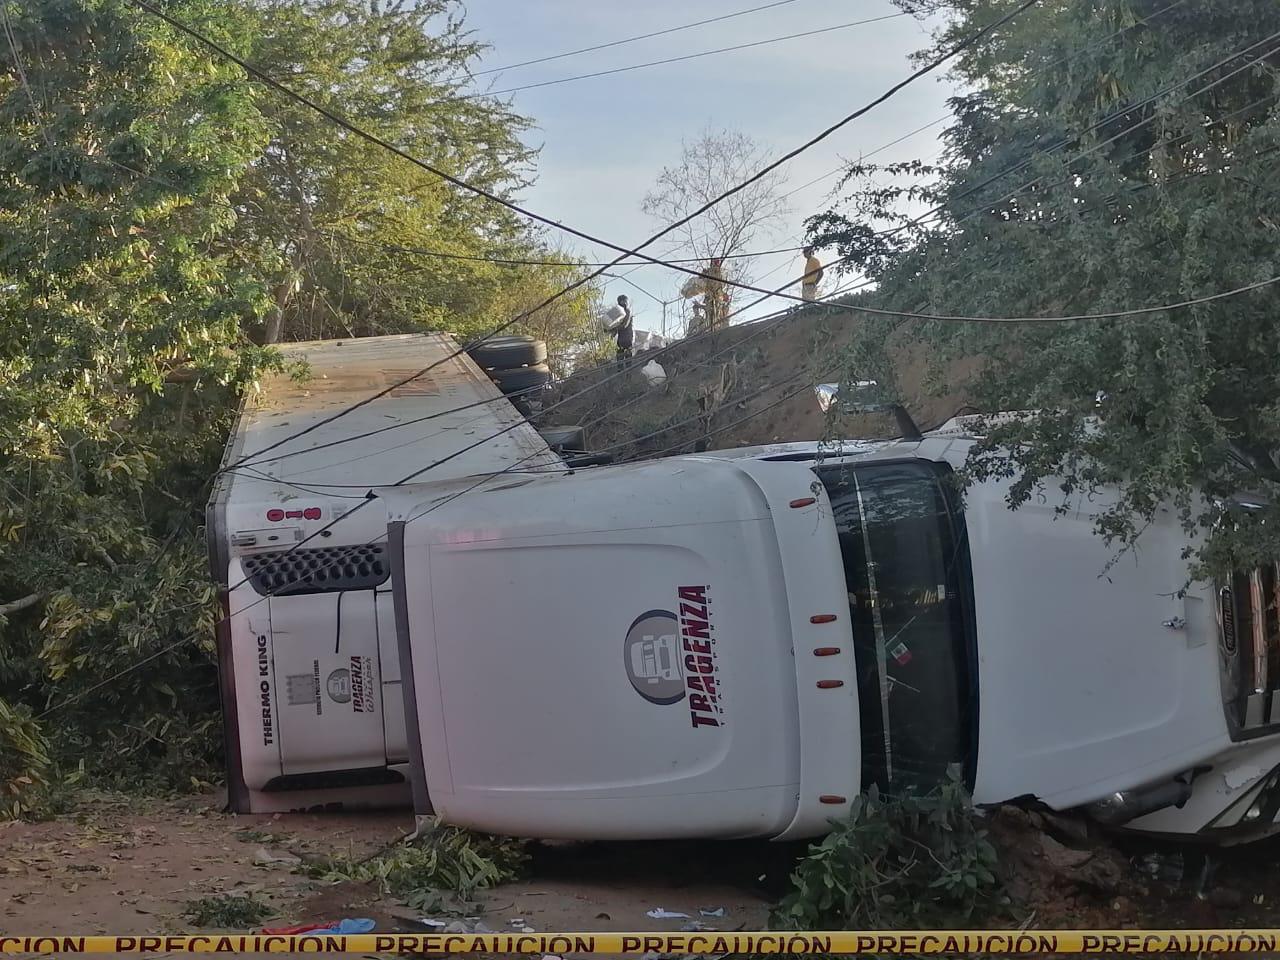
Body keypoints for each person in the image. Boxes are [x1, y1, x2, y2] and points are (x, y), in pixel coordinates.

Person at [606, 294, 634, 365]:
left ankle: (629, 371)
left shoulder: (627, 312)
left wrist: (613, 328)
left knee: (628, 359)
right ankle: (620, 370)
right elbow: (615, 323)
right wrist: (610, 331)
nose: (623, 303)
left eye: (624, 301)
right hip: (620, 338)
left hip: (628, 338)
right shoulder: (619, 313)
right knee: (619, 358)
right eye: (621, 302)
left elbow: (625, 325)